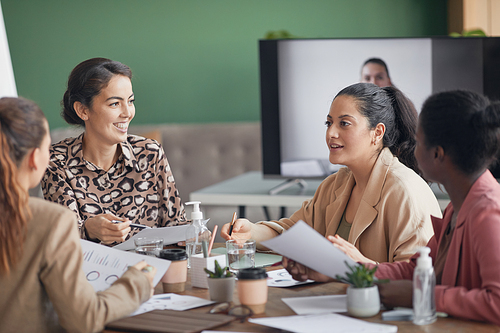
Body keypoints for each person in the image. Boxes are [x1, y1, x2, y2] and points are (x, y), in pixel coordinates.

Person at [288, 90, 500, 325]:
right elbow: (414, 270)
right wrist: (347, 271)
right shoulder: (457, 208)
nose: (411, 148)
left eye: (418, 141)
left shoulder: (489, 213)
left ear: (437, 154)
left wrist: (423, 295)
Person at [221, 83, 441, 264]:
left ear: (377, 132)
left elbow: (417, 276)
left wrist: (359, 266)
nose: (331, 133)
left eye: (344, 123)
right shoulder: (335, 184)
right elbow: (293, 234)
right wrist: (250, 232)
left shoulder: (404, 190)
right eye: (329, 123)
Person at [0, 97, 156, 333]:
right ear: (35, 158)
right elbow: (85, 319)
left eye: (131, 101)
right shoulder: (49, 220)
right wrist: (137, 281)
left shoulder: (150, 152)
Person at [41, 58, 186, 244]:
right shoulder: (57, 161)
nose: (127, 113)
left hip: (150, 270)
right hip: (89, 272)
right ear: (83, 110)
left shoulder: (150, 153)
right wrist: (88, 230)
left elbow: (177, 226)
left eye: (130, 101)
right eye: (115, 104)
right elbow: (61, 238)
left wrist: (211, 232)